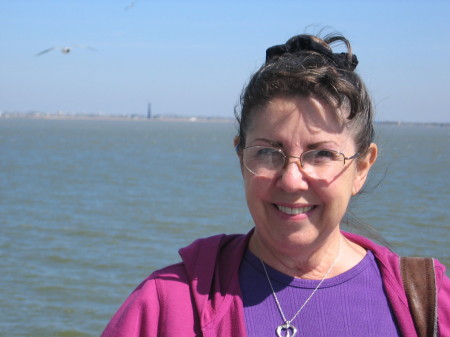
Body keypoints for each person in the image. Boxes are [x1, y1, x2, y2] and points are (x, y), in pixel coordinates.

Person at [100, 33, 450, 337]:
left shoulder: (430, 304)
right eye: (268, 152)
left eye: (321, 154)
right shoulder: (166, 307)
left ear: (361, 168)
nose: (292, 179)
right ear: (241, 159)